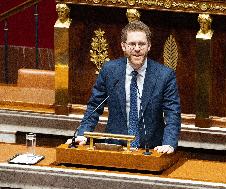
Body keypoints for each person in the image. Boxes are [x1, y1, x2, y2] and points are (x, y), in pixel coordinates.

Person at [66, 21, 181, 154]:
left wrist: (169, 143)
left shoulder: (164, 76)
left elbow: (172, 113)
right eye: (132, 44)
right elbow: (94, 106)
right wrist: (82, 134)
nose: (137, 49)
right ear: (123, 46)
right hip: (115, 148)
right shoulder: (109, 71)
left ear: (149, 46)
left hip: (151, 149)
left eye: (142, 44)